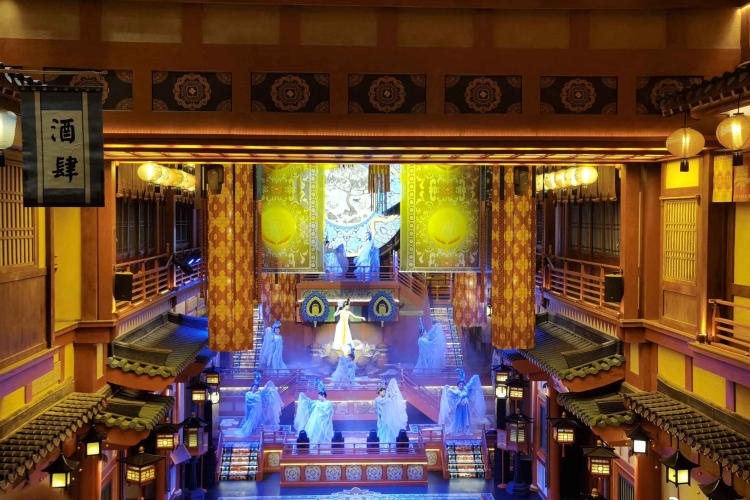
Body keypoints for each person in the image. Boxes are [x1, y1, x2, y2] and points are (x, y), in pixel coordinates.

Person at [439, 368, 487, 436]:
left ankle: (465, 430)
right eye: (460, 385)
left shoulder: (466, 389)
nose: (461, 386)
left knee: (466, 419)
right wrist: (447, 387)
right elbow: (450, 391)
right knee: (458, 419)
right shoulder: (457, 391)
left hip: (465, 407)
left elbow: (468, 382)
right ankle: (457, 430)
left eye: (462, 385)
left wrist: (473, 377)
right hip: (459, 407)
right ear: (458, 386)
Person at [240, 372, 283, 437]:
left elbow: (261, 398)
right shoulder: (248, 394)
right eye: (254, 387)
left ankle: (253, 431)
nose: (254, 388)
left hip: (256, 410)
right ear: (252, 387)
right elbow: (248, 401)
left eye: (256, 388)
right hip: (250, 409)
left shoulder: (258, 394)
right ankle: (251, 431)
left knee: (255, 421)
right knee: (249, 420)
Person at [294, 380, 334, 446]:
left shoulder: (328, 403)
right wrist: (303, 398)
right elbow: (310, 403)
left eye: (319, 396)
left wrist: (320, 409)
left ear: (323, 396)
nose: (318, 397)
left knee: (323, 433)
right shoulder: (318, 402)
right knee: (314, 432)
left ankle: (323, 444)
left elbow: (328, 412)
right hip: (316, 421)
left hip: (324, 422)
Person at [374, 378, 408, 445]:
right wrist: (389, 394)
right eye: (383, 392)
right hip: (382, 417)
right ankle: (385, 441)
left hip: (386, 417)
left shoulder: (385, 399)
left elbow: (389, 401)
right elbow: (384, 401)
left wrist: (392, 395)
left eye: (384, 392)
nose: (384, 393)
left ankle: (390, 440)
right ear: (379, 392)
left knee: (389, 428)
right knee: (384, 429)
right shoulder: (378, 399)